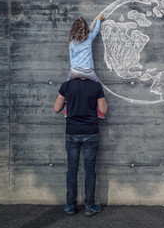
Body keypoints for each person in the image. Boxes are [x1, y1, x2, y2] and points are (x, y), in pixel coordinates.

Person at [54, 77, 108, 217]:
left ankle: (71, 206)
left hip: (72, 132)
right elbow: (103, 110)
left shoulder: (66, 85)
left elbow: (56, 108)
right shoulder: (96, 86)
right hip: (90, 133)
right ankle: (89, 206)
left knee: (72, 169)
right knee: (89, 169)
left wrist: (69, 101)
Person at [65, 13, 105, 118]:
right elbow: (96, 31)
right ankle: (99, 111)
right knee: (98, 87)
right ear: (86, 29)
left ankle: (66, 109)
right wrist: (99, 20)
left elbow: (71, 59)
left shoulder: (72, 43)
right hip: (88, 71)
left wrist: (75, 71)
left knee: (67, 88)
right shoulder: (89, 38)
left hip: (75, 71)